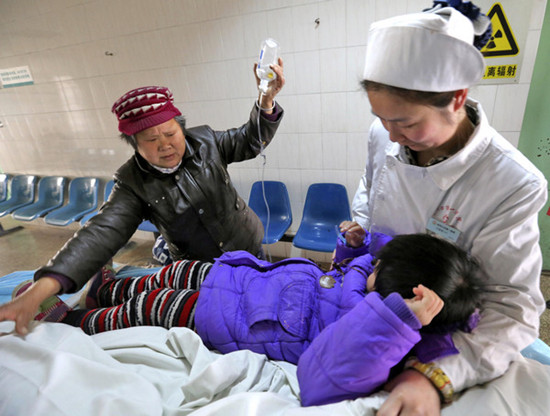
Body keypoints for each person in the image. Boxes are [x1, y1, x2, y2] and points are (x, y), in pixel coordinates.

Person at [341, 2, 548, 414]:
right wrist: (361, 226)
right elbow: (371, 182)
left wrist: (437, 377)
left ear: (457, 98)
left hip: (453, 336)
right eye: (381, 118)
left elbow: (510, 306)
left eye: (407, 123)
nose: (392, 135)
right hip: (376, 309)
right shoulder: (384, 137)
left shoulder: (512, 183)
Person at [11, 231, 483, 407]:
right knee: (151, 280)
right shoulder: (380, 278)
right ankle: (107, 285)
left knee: (139, 314)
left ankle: (73, 322)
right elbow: (382, 253)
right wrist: (358, 246)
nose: (373, 268)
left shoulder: (383, 333)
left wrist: (397, 321)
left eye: (381, 270)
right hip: (229, 272)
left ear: (405, 297)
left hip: (217, 317)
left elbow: (324, 374)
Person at [0, 60, 285, 336]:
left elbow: (250, 140)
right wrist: (41, 289)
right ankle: (90, 303)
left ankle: (104, 288)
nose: (165, 145)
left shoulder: (207, 141)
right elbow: (102, 233)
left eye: (171, 132)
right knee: (169, 309)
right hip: (196, 266)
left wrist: (266, 100)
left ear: (180, 127)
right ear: (134, 144)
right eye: (151, 139)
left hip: (247, 247)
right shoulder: (132, 182)